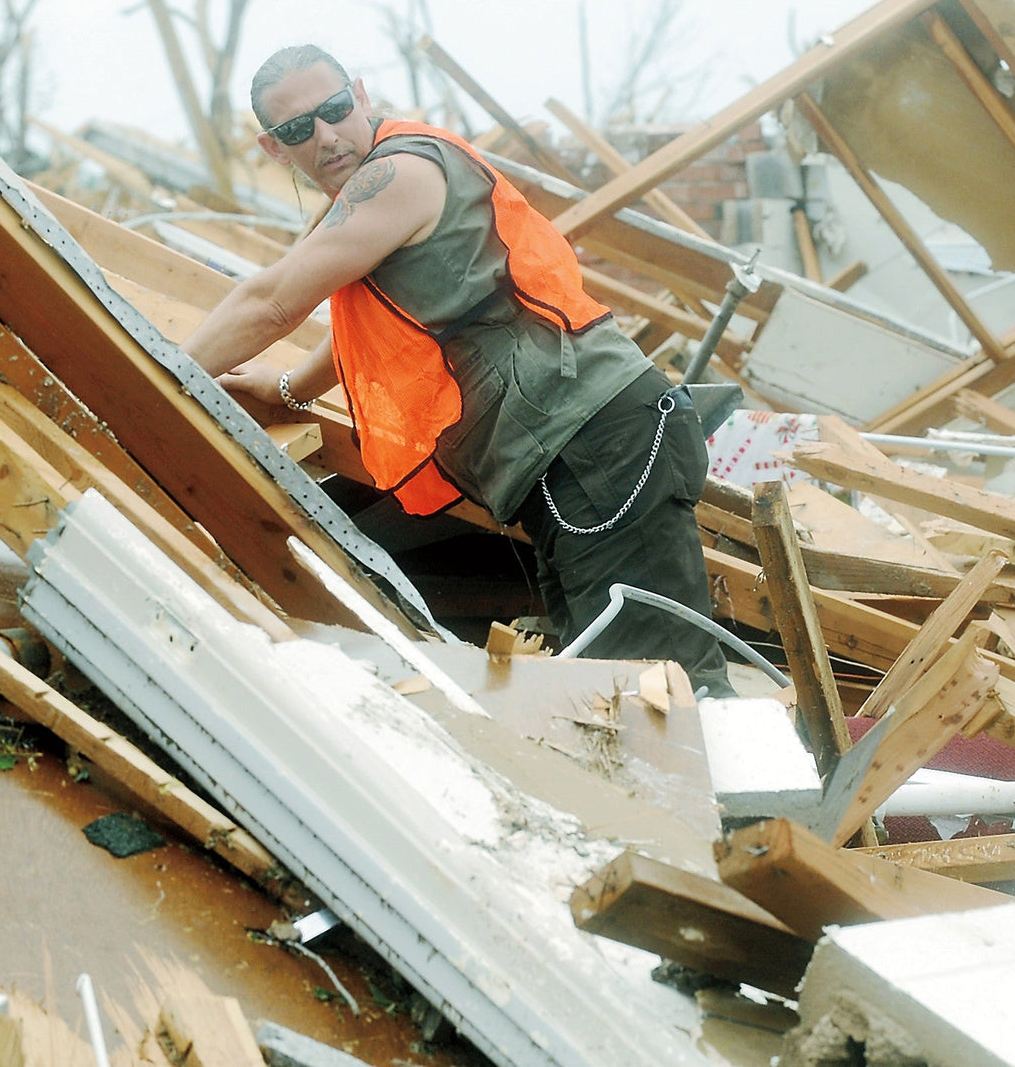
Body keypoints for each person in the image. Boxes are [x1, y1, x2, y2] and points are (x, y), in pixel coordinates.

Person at [179, 45, 734, 697]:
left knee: (664, 698)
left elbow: (270, 300)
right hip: (571, 458)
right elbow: (372, 334)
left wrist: (144, 375)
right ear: (275, 149)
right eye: (300, 129)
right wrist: (288, 389)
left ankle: (748, 804)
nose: (326, 136)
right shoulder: (367, 206)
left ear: (360, 95)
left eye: (333, 111)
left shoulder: (399, 173)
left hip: (599, 445)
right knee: (617, 692)